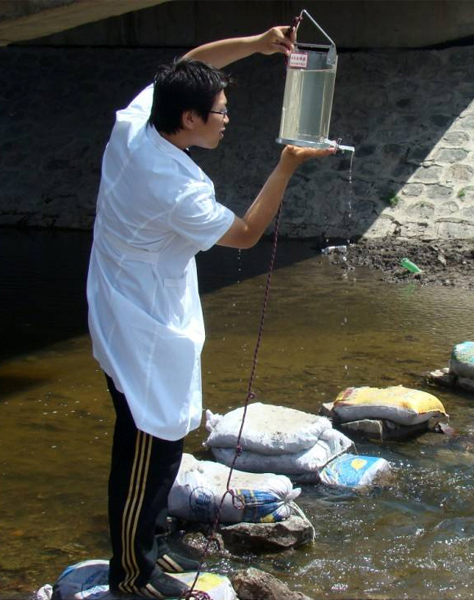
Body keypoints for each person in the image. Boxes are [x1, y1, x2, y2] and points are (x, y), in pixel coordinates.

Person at [86, 25, 334, 599]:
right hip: (141, 324)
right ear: (191, 119)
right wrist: (287, 166)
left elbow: (191, 59)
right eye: (219, 111)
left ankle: (142, 553)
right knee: (145, 450)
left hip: (121, 298)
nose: (227, 118)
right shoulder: (171, 186)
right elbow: (247, 234)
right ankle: (130, 576)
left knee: (162, 445)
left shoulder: (139, 124)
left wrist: (260, 41)